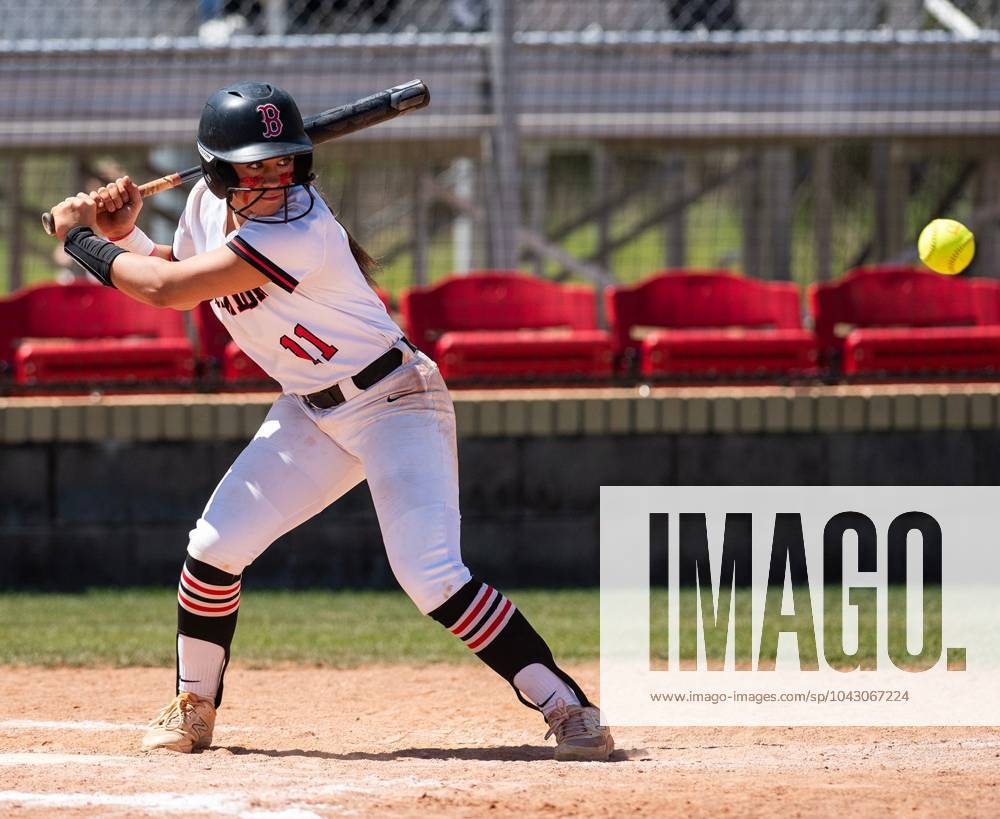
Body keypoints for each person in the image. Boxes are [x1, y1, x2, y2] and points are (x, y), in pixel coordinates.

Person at [51, 81, 614, 762]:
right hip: (309, 409)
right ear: (220, 169)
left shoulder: (301, 227)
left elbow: (169, 293)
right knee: (214, 547)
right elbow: (184, 269)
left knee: (430, 573)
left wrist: (80, 240)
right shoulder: (204, 203)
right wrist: (126, 236)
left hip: (394, 401)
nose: (273, 176)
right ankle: (193, 704)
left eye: (282, 160)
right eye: (255, 165)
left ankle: (567, 705)